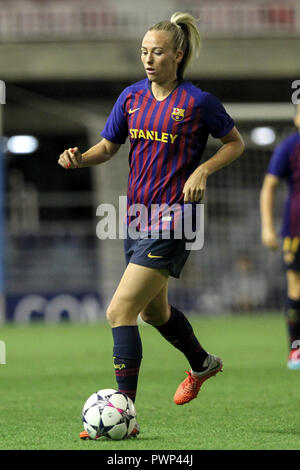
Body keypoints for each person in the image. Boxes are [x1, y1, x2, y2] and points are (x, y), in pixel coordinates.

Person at [58, 12, 245, 438]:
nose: (148, 58)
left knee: (119, 311)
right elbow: (108, 146)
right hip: (137, 216)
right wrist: (79, 158)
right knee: (152, 311)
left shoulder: (199, 102)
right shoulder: (130, 98)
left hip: (177, 218)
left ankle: (125, 415)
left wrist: (203, 171)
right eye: (144, 51)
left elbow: (236, 144)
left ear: (177, 55)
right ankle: (202, 363)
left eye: (157, 52)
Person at [260, 103, 300, 370]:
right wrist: (267, 226)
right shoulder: (289, 147)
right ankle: (296, 349)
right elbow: (268, 187)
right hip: (296, 229)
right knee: (296, 286)